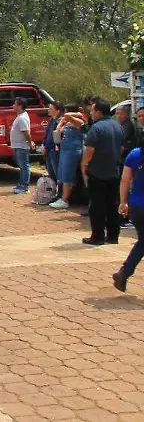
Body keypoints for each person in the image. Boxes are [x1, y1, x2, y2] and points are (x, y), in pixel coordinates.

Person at [82, 99, 124, 246]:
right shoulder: (117, 126)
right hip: (114, 171)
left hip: (97, 172)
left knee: (97, 206)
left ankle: (97, 236)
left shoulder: (96, 128)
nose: (91, 113)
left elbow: (90, 151)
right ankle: (113, 235)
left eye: (92, 110)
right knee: (112, 205)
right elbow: (121, 148)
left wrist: (85, 165)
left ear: (99, 112)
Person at [113, 143, 144, 292]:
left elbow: (125, 180)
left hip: (137, 206)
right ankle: (124, 272)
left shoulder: (135, 154)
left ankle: (124, 273)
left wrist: (123, 202)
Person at [50, 104, 87, 209]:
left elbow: (70, 116)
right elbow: (58, 131)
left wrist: (72, 114)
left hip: (73, 150)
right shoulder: (67, 122)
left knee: (68, 175)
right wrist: (62, 123)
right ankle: (61, 196)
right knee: (62, 174)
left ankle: (65, 200)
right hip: (65, 149)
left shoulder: (78, 121)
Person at [9, 97, 33, 195]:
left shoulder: (22, 118)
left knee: (24, 166)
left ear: (20, 106)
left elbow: (26, 133)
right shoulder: (20, 116)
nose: (13, 106)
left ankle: (24, 187)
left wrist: (30, 142)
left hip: (22, 146)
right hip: (17, 145)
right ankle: (21, 184)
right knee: (22, 166)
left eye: (15, 104)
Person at [43, 101, 62, 182]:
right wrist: (43, 144)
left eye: (50, 108)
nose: (48, 110)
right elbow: (47, 135)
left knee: (56, 172)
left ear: (57, 111)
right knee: (50, 172)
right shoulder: (51, 120)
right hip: (48, 151)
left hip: (55, 151)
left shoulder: (59, 122)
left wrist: (46, 148)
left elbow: (53, 137)